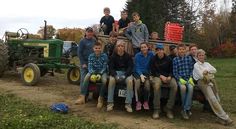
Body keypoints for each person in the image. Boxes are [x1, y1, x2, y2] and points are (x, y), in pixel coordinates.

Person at [193, 49, 233, 125]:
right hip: (202, 82)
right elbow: (201, 76)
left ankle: (220, 117)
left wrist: (207, 70)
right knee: (212, 98)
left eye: (202, 55)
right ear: (197, 56)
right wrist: (207, 73)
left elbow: (214, 70)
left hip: (211, 81)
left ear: (204, 56)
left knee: (217, 97)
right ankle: (225, 118)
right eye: (199, 55)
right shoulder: (196, 65)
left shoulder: (207, 64)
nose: (201, 56)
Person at [76, 42, 108, 109]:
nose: (97, 49)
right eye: (96, 48)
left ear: (101, 48)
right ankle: (82, 97)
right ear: (93, 48)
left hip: (102, 72)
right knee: (86, 77)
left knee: (104, 80)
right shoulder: (91, 56)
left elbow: (104, 67)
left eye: (99, 48)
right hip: (93, 71)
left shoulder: (104, 56)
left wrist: (100, 73)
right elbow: (90, 66)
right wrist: (92, 73)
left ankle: (100, 99)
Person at [150, 43, 178, 119]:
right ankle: (157, 109)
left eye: (161, 50)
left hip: (167, 76)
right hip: (157, 76)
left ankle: (168, 108)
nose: (160, 51)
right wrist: (160, 76)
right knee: (156, 86)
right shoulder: (153, 59)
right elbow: (153, 71)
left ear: (163, 50)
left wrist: (169, 76)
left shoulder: (168, 59)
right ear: (156, 51)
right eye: (158, 50)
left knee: (174, 86)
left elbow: (172, 70)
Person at [107, 40, 134, 112]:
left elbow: (130, 68)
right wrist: (115, 75)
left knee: (130, 81)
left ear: (124, 47)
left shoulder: (128, 56)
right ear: (116, 47)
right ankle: (110, 103)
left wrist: (125, 75)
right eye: (119, 46)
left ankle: (128, 104)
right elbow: (111, 68)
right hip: (116, 73)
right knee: (111, 80)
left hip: (126, 73)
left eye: (122, 46)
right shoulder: (113, 56)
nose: (120, 47)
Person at [173, 44, 194, 120]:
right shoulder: (175, 59)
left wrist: (191, 77)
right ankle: (187, 108)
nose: (181, 51)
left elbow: (192, 69)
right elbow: (175, 72)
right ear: (178, 51)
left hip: (188, 78)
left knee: (191, 88)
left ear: (185, 50)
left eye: (183, 49)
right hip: (181, 79)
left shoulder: (189, 59)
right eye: (180, 49)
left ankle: (185, 109)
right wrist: (179, 78)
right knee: (183, 88)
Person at [76, 27, 96, 104]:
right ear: (86, 33)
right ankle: (82, 96)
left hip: (93, 64)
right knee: (84, 79)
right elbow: (79, 53)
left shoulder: (94, 41)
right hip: (85, 63)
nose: (90, 33)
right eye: (88, 32)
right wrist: (83, 63)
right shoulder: (82, 41)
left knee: (92, 80)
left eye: (91, 32)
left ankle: (88, 95)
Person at [133, 42, 154, 111]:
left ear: (147, 47)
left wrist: (151, 74)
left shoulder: (151, 54)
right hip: (138, 72)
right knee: (138, 83)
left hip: (147, 73)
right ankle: (138, 102)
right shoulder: (137, 55)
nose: (143, 48)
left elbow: (152, 65)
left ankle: (145, 102)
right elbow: (136, 67)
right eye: (142, 47)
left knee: (147, 84)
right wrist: (141, 75)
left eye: (145, 47)